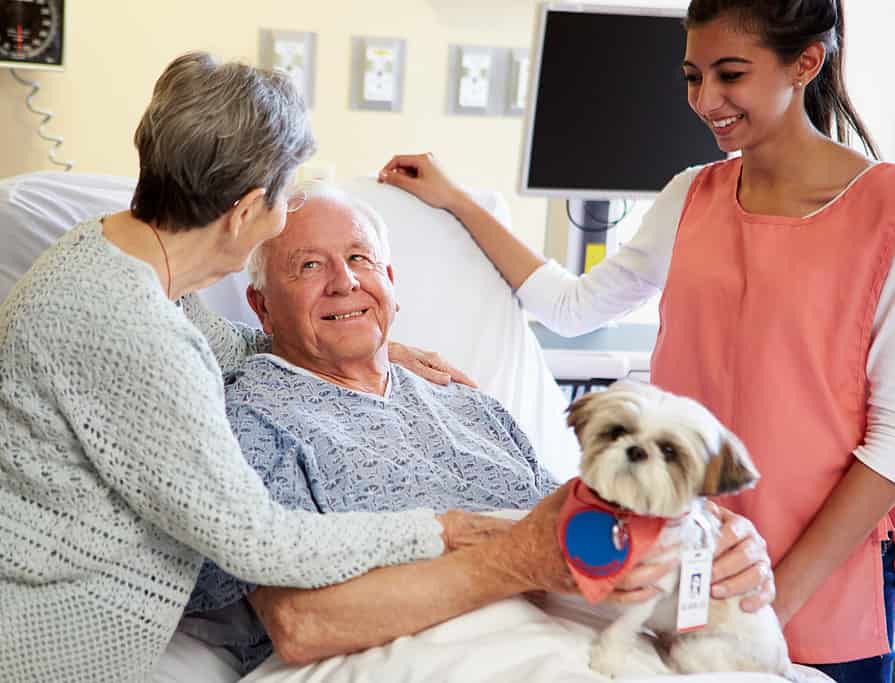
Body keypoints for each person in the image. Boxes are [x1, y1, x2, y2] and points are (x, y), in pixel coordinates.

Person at [0, 52, 498, 683]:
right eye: (285, 203)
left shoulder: (119, 255)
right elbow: (257, 541)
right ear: (245, 212)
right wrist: (435, 530)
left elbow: (220, 342)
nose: (286, 219)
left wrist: (347, 343)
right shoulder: (136, 334)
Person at [378, 1, 895, 680]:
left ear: (805, 63)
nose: (705, 100)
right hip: (672, 576)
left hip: (817, 589)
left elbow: (889, 443)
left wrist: (769, 601)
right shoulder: (690, 195)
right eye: (691, 76)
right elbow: (571, 305)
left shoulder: (881, 213)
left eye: (729, 74)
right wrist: (459, 201)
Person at [181, 185, 777, 674]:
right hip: (419, 653)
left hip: (596, 639)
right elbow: (301, 624)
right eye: (309, 266)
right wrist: (513, 564)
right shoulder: (253, 416)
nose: (345, 282)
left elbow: (578, 530)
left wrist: (708, 542)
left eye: (360, 259)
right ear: (260, 306)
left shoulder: (469, 403)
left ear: (389, 279)